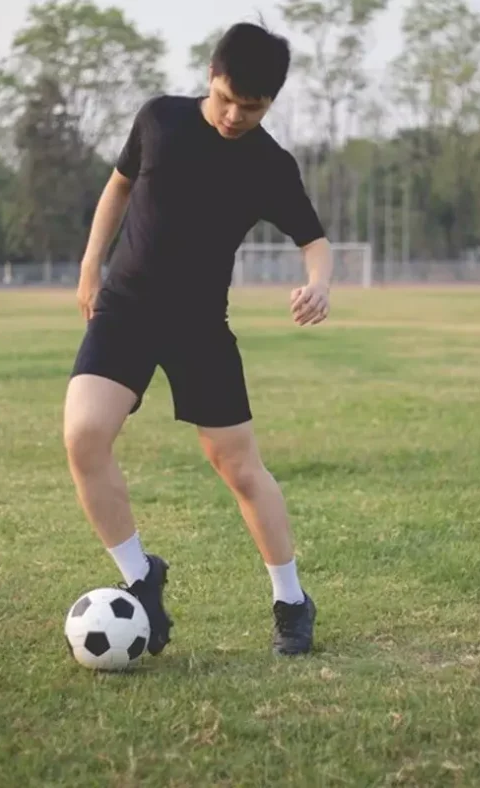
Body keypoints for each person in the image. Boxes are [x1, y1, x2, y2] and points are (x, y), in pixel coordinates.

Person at [64, 21, 333, 658]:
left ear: (271, 102)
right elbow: (119, 184)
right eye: (228, 99)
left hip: (199, 326)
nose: (236, 116)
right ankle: (141, 579)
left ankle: (292, 601)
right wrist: (91, 263)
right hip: (125, 309)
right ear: (212, 75)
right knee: (84, 437)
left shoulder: (270, 164)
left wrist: (319, 284)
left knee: (239, 468)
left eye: (253, 108)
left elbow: (314, 240)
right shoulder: (160, 119)